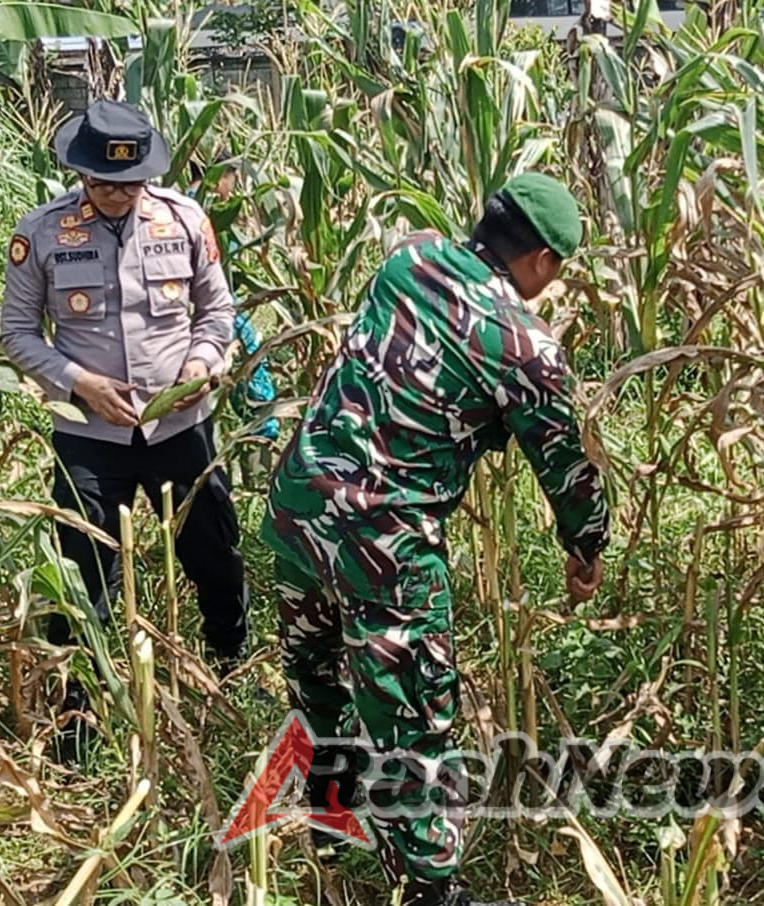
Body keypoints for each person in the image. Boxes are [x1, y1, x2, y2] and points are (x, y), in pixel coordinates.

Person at [260, 171, 609, 906]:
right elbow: (564, 464)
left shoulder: (405, 264)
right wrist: (587, 544)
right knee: (414, 714)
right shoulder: (526, 346)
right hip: (382, 539)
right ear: (542, 260)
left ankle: (329, 819)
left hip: (298, 505)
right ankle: (429, 886)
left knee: (318, 675)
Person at [0, 100, 251, 759]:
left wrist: (200, 365)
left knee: (216, 555)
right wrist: (80, 383)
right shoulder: (41, 232)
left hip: (181, 426)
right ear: (80, 173)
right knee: (83, 579)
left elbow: (217, 311)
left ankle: (231, 671)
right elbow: (18, 334)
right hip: (90, 436)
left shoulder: (186, 220)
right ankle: (75, 725)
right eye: (103, 183)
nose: (117, 195)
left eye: (130, 183)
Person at [186, 152, 281, 447]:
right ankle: (261, 432)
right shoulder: (207, 209)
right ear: (221, 176)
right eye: (233, 178)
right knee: (249, 363)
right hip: (219, 306)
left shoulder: (179, 204)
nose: (234, 187)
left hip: (196, 307)